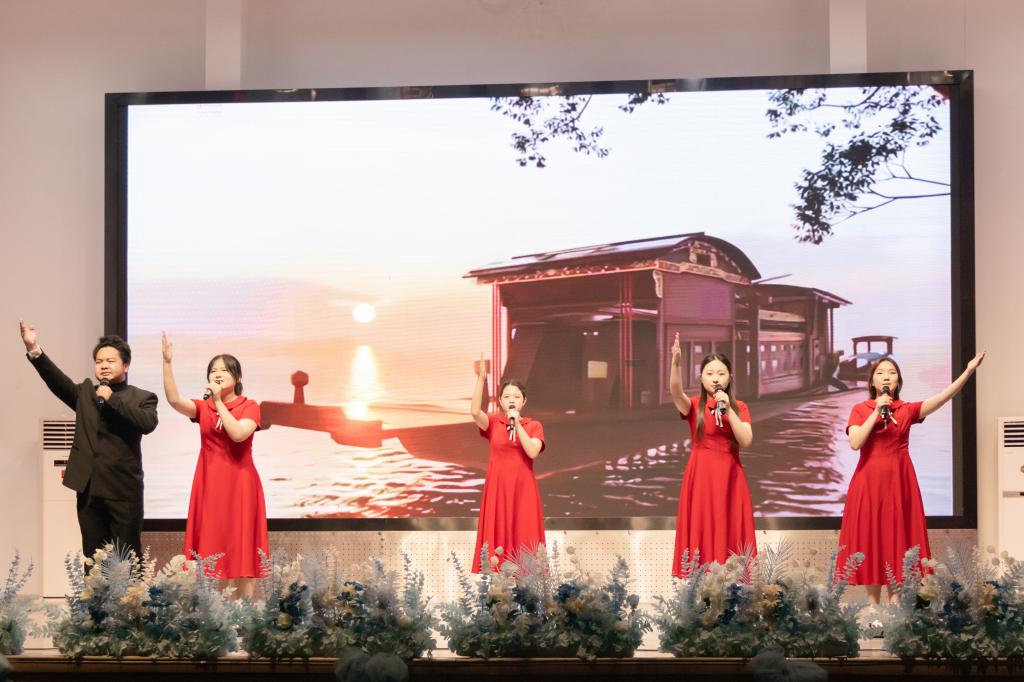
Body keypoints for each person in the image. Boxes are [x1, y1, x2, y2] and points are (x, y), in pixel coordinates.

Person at [836, 351, 985, 604]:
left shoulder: (907, 410)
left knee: (897, 539)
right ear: (872, 381)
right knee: (871, 539)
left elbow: (942, 397)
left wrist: (968, 371)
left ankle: (895, 606)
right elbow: (855, 442)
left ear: (898, 382)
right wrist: (877, 410)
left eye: (892, 373)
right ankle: (873, 607)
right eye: (880, 373)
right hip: (868, 484)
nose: (886, 376)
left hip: (899, 484)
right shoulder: (860, 409)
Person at [20, 321, 158, 559]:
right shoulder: (85, 394)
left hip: (123, 491)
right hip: (90, 490)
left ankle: (127, 586)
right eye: (99, 361)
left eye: (110, 361)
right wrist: (34, 349)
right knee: (94, 558)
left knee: (126, 558)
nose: (103, 365)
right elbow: (56, 380)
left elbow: (148, 423)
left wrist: (112, 399)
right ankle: (95, 587)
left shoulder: (142, 397)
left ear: (126, 365)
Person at [161, 332, 267, 597]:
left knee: (242, 546)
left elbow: (238, 434)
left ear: (237, 377)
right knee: (212, 548)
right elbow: (174, 400)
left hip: (240, 485)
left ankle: (245, 611)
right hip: (210, 485)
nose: (217, 374)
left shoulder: (249, 406)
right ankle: (215, 611)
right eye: (213, 370)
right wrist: (167, 363)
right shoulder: (203, 407)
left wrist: (218, 401)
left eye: (224, 370)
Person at [669, 334, 755, 577]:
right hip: (702, 476)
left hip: (731, 477)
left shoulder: (740, 407)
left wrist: (728, 410)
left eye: (721, 373)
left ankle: (732, 589)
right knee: (703, 526)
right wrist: (676, 363)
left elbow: (745, 440)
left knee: (731, 527)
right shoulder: (694, 405)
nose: (715, 378)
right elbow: (676, 393)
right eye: (709, 373)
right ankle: (701, 586)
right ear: (701, 378)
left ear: (729, 377)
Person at [468, 356, 546, 573]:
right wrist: (481, 379)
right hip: (498, 488)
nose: (512, 400)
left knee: (525, 536)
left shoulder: (534, 426)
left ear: (524, 401)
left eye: (516, 396)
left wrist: (517, 423)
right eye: (507, 396)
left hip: (523, 489)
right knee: (498, 540)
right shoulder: (494, 423)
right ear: (500, 402)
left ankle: (526, 585)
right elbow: (474, 412)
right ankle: (499, 586)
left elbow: (532, 451)